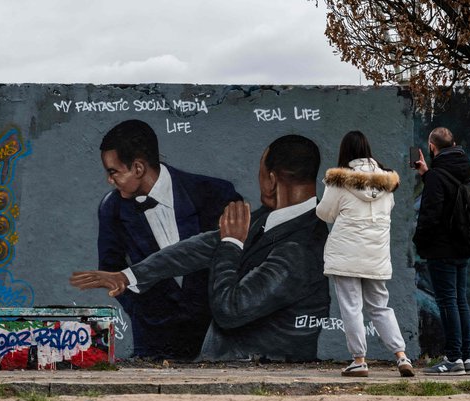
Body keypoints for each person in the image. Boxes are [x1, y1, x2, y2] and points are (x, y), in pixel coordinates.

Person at [72, 134, 331, 362]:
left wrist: (231, 244)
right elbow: (200, 247)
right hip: (229, 363)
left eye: (261, 173)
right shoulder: (269, 218)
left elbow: (230, 309)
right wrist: (128, 276)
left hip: (262, 374)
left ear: (272, 180)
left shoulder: (300, 249)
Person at [97, 119, 242, 360]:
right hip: (154, 343)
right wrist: (143, 310)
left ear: (138, 168)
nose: (109, 180)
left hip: (214, 340)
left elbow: (239, 253)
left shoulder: (215, 193)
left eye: (113, 172)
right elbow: (110, 267)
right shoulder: (111, 208)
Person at [316, 130, 415, 378]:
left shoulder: (339, 181)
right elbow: (387, 211)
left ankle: (359, 361)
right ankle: (401, 356)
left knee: (351, 307)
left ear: (345, 152)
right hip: (376, 255)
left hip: (346, 254)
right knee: (380, 306)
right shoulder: (388, 183)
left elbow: (325, 213)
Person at [412, 127, 470, 375]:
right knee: (460, 300)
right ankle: (466, 357)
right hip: (463, 245)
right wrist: (427, 175)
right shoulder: (464, 171)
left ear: (431, 147)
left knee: (447, 302)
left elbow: (430, 215)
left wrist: (419, 241)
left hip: (441, 249)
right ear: (455, 144)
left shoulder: (439, 176)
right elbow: (447, 193)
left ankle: (452, 359)